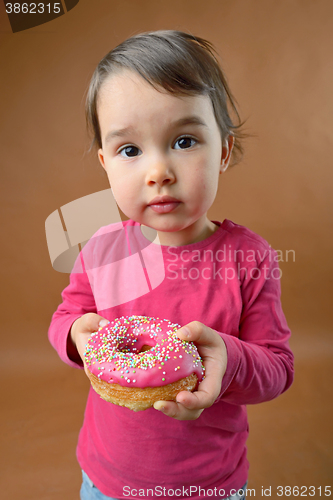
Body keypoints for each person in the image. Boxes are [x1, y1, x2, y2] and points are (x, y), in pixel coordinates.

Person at [48, 30, 294, 500]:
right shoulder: (102, 250)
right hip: (107, 480)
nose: (157, 171)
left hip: (210, 484)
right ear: (105, 164)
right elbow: (66, 318)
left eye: (184, 141)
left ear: (222, 149)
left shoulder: (249, 258)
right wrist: (75, 336)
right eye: (130, 150)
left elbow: (278, 368)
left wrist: (230, 357)